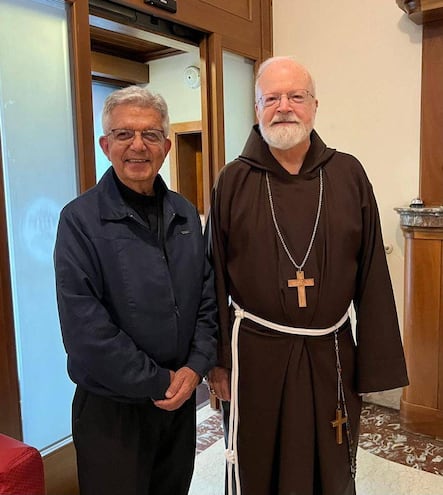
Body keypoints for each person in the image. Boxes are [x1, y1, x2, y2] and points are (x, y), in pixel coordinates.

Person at [206, 56, 408, 495]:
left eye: (296, 96)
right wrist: (217, 362)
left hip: (330, 350)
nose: (284, 107)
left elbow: (372, 270)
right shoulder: (232, 180)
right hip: (254, 355)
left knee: (329, 462)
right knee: (259, 461)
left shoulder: (348, 174)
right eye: (272, 98)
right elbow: (212, 279)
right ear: (257, 108)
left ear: (314, 105)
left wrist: (374, 365)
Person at [54, 86, 218, 495]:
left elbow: (206, 299)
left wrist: (195, 366)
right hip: (112, 410)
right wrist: (158, 380)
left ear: (165, 145)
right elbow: (85, 330)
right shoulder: (79, 221)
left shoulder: (183, 213)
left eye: (149, 135)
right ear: (105, 144)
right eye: (124, 134)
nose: (137, 146)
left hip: (176, 404)